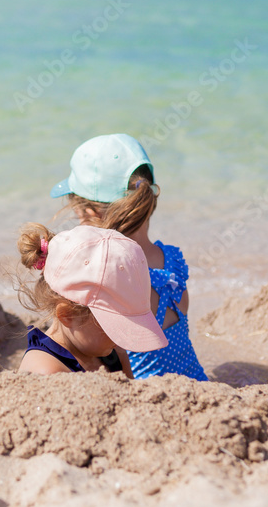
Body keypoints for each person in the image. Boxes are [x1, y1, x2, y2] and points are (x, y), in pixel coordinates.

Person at [50, 133, 208, 381]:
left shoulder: (106, 278)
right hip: (197, 383)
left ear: (90, 214)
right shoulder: (172, 260)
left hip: (146, 394)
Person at [16, 223, 167, 376]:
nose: (121, 338)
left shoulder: (112, 352)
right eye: (114, 327)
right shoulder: (46, 370)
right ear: (67, 315)